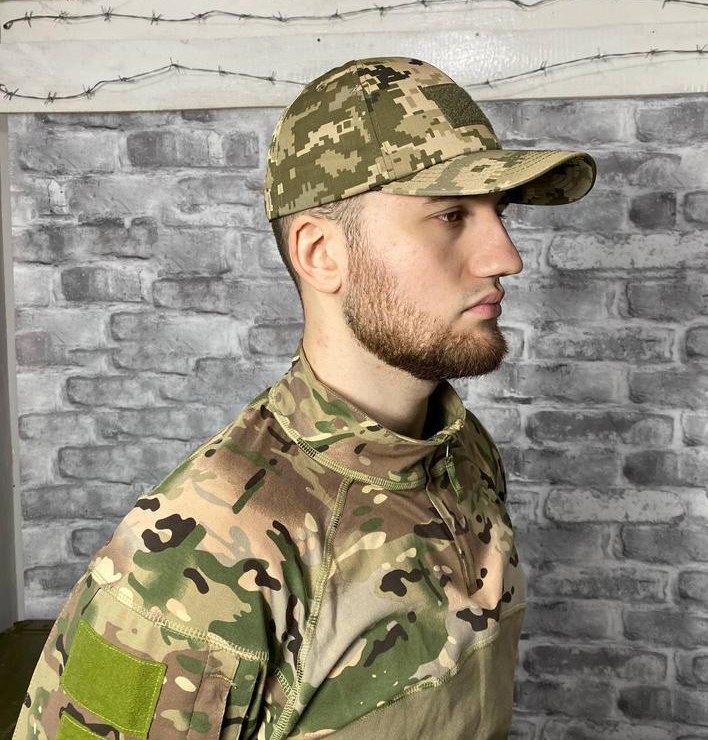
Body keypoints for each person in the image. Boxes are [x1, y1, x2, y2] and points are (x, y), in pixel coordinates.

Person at [13, 56, 597, 740]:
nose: (506, 257)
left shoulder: (462, 453)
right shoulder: (202, 556)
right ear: (321, 253)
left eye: (498, 213)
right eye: (450, 215)